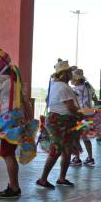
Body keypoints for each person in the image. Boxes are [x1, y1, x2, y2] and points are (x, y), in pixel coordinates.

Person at [0, 49, 38, 199]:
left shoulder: (0, 80)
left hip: (5, 121)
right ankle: (13, 185)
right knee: (8, 153)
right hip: (17, 119)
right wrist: (29, 119)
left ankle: (14, 187)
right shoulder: (15, 80)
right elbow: (25, 102)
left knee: (8, 154)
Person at [36, 60, 81, 189]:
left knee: (66, 150)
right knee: (56, 150)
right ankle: (43, 179)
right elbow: (71, 107)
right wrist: (83, 114)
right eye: (69, 72)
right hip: (61, 121)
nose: (71, 75)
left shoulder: (54, 85)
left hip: (59, 120)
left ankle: (62, 178)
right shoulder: (63, 87)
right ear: (64, 74)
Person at [70, 68, 95, 166]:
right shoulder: (88, 87)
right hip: (89, 113)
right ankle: (90, 158)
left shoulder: (75, 90)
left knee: (76, 137)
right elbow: (94, 97)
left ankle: (77, 158)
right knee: (85, 136)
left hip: (80, 114)